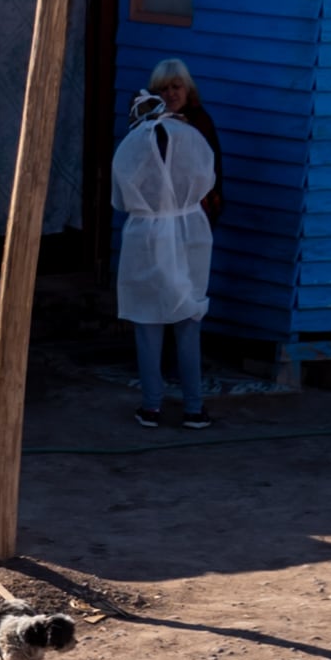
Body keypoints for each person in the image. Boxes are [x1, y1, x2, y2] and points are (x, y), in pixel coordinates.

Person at [112, 58, 220, 429]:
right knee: (158, 320)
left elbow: (124, 186)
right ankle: (159, 404)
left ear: (187, 90)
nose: (171, 94)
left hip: (172, 232)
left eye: (176, 87)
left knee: (173, 318)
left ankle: (186, 405)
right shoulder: (152, 131)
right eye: (163, 89)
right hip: (180, 231)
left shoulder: (167, 130)